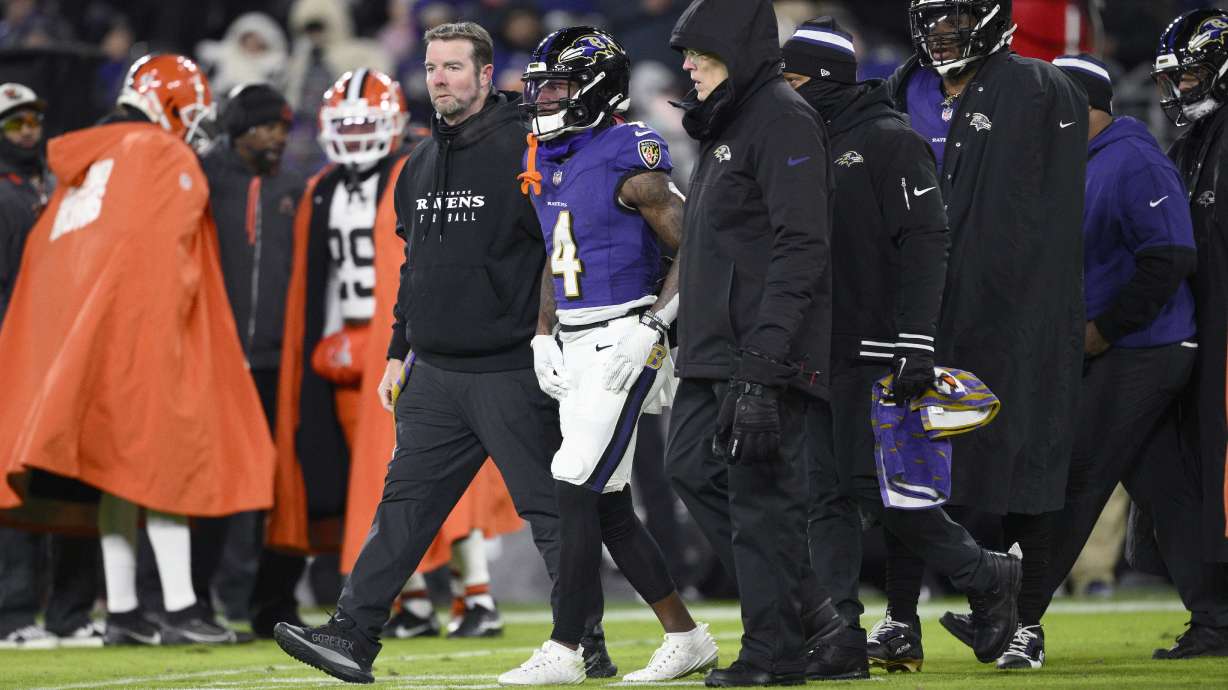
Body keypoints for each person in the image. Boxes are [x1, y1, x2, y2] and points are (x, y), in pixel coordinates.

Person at [273, 23, 611, 684]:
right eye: (432, 67)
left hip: (514, 366)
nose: (441, 78)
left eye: (455, 66)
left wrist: (553, 338)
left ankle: (584, 640)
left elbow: (561, 245)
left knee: (549, 514)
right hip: (435, 372)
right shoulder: (419, 163)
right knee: (402, 510)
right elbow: (414, 268)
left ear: (487, 75)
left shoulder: (527, 144)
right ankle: (353, 634)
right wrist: (400, 351)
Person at [942, 51, 1210, 669]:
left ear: (1080, 107)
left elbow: (1170, 256)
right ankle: (1216, 616)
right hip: (1108, 347)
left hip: (1148, 347)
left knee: (1068, 480)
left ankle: (1018, 622)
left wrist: (1102, 331)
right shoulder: (1068, 163)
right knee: (1165, 490)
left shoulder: (1131, 157)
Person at [0, 54, 275, 645]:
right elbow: (162, 256)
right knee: (161, 461)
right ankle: (179, 608)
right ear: (164, 102)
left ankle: (124, 612)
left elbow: (50, 260)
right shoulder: (158, 153)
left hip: (71, 335)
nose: (195, 126)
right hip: (131, 329)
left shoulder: (91, 158)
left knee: (116, 473)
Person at [779, 17, 1022, 677]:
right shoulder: (802, 141)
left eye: (793, 78)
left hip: (877, 345)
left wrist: (916, 343)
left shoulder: (890, 141)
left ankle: (985, 573)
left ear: (825, 78)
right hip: (816, 347)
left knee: (873, 488)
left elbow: (926, 243)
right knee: (822, 496)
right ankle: (839, 636)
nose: (786, 90)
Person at [496, 26, 718, 686]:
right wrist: (542, 332)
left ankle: (566, 648)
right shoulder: (553, 155)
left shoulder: (628, 152)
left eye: (557, 87)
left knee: (572, 479)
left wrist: (654, 325)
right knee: (608, 502)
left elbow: (695, 246)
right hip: (574, 340)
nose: (543, 99)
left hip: (624, 339)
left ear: (595, 91)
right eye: (540, 88)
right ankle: (686, 636)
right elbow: (556, 252)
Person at [873, 0, 1088, 671]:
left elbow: (1039, 210)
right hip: (917, 310)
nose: (942, 34)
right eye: (933, 22)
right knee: (907, 468)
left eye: (955, 20)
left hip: (1013, 311)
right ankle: (899, 619)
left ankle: (1025, 624)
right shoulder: (901, 88)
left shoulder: (1040, 88)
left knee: (1026, 464)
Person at [664, 0, 843, 685]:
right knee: (691, 469)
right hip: (712, 348)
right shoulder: (730, 118)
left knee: (762, 502)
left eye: (700, 55)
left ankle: (773, 654)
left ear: (736, 53)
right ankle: (811, 612)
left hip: (760, 351)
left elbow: (802, 247)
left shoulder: (782, 117)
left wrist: (767, 362)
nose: (687, 66)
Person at [192, 82, 307, 635]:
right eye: (266, 126)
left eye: (284, 127)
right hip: (216, 361)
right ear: (238, 128)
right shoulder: (203, 179)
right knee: (211, 486)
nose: (277, 136)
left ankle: (272, 603)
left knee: (285, 487)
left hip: (279, 364)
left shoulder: (296, 186)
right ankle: (194, 599)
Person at [0, 83, 103, 650]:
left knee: (72, 484)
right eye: (15, 124)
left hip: (63, 353)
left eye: (33, 120)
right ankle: (12, 612)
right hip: (14, 356)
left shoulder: (60, 186)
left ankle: (69, 611)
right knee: (14, 486)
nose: (28, 131)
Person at [1151, 8, 1228, 657]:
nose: (1183, 87)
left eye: (1195, 72)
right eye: (1178, 76)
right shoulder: (1194, 144)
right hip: (1202, 331)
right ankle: (1217, 615)